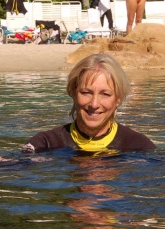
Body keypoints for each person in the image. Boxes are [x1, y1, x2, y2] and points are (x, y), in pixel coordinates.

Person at [22, 53, 156, 155]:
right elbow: (19, 167)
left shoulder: (138, 146)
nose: (94, 104)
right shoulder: (47, 143)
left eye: (105, 94)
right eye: (86, 92)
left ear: (118, 100)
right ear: (73, 93)